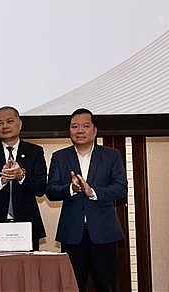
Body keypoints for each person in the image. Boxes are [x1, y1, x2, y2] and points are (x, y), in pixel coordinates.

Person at [46, 108, 128, 292]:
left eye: (85, 126)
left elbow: (121, 188)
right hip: (72, 234)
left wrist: (93, 192)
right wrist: (71, 189)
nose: (79, 130)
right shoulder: (60, 157)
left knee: (107, 285)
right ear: (70, 131)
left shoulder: (111, 155)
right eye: (74, 126)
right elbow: (50, 190)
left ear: (94, 130)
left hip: (104, 232)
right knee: (72, 286)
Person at [0, 106, 47, 251]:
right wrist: (1, 181)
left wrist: (21, 176)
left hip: (27, 223)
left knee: (27, 270)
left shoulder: (34, 151)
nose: (4, 126)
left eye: (9, 121)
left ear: (20, 124)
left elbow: (40, 188)